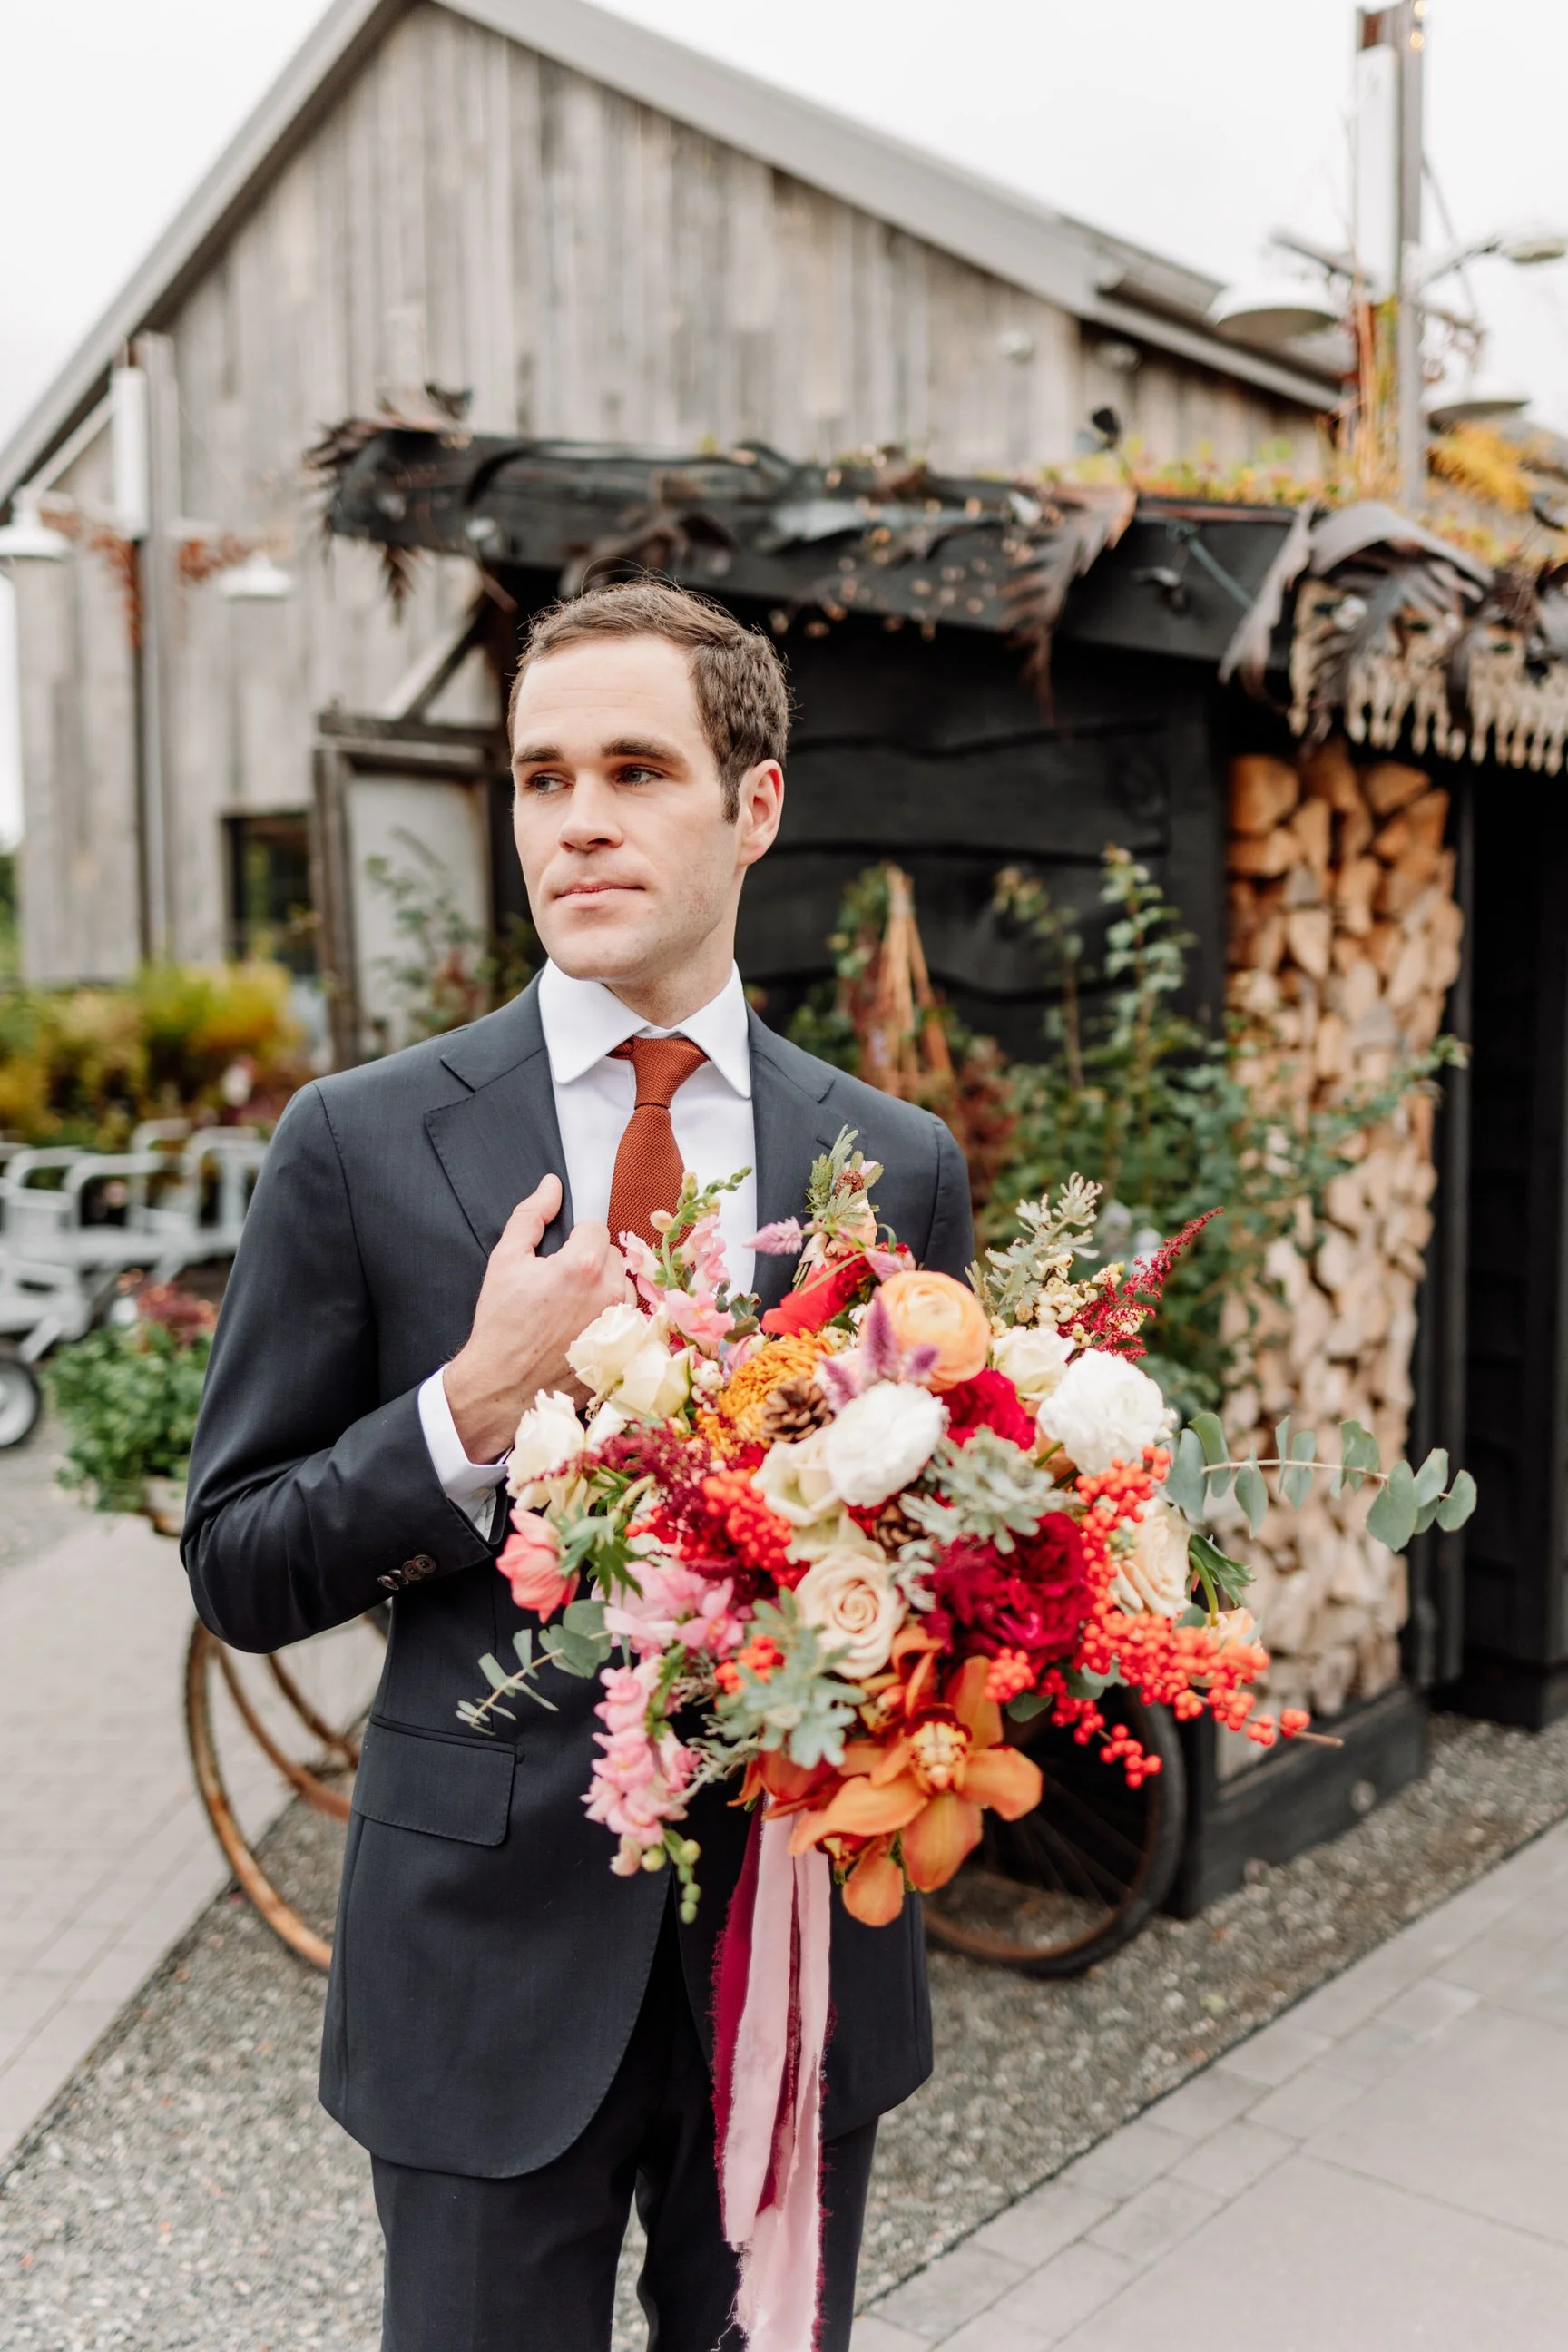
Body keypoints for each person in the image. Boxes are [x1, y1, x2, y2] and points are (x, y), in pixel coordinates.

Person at [183, 580, 975, 2352]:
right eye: (544, 778)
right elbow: (237, 1558)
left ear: (753, 804)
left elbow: (942, 1566)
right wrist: (467, 1405)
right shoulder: (360, 1143)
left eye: (636, 768)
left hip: (790, 1966)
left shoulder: (894, 1161)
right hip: (476, 1961)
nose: (581, 820)